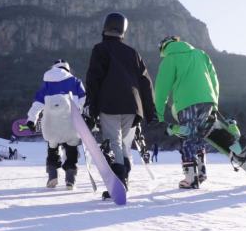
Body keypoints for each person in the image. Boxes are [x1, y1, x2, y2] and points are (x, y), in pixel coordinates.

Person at [84, 12, 156, 195]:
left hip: (109, 105)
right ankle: (125, 180)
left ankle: (120, 182)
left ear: (105, 27)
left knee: (114, 143)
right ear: (123, 30)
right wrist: (150, 112)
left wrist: (91, 110)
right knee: (124, 145)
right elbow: (146, 83)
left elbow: (94, 80)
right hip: (133, 108)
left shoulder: (100, 49)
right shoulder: (133, 53)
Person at [154, 36, 219, 189]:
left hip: (187, 103)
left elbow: (161, 89)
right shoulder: (200, 54)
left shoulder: (170, 59)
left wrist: (159, 114)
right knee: (199, 136)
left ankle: (190, 178)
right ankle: (201, 172)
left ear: (164, 48)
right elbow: (214, 79)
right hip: (208, 100)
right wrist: (215, 103)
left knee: (188, 136)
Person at [26, 59, 86, 189]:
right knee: (71, 150)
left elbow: (37, 104)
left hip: (51, 126)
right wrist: (86, 116)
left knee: (52, 149)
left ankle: (52, 175)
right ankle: (70, 178)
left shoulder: (46, 84)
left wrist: (31, 120)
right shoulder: (75, 81)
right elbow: (84, 100)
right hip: (71, 125)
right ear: (67, 69)